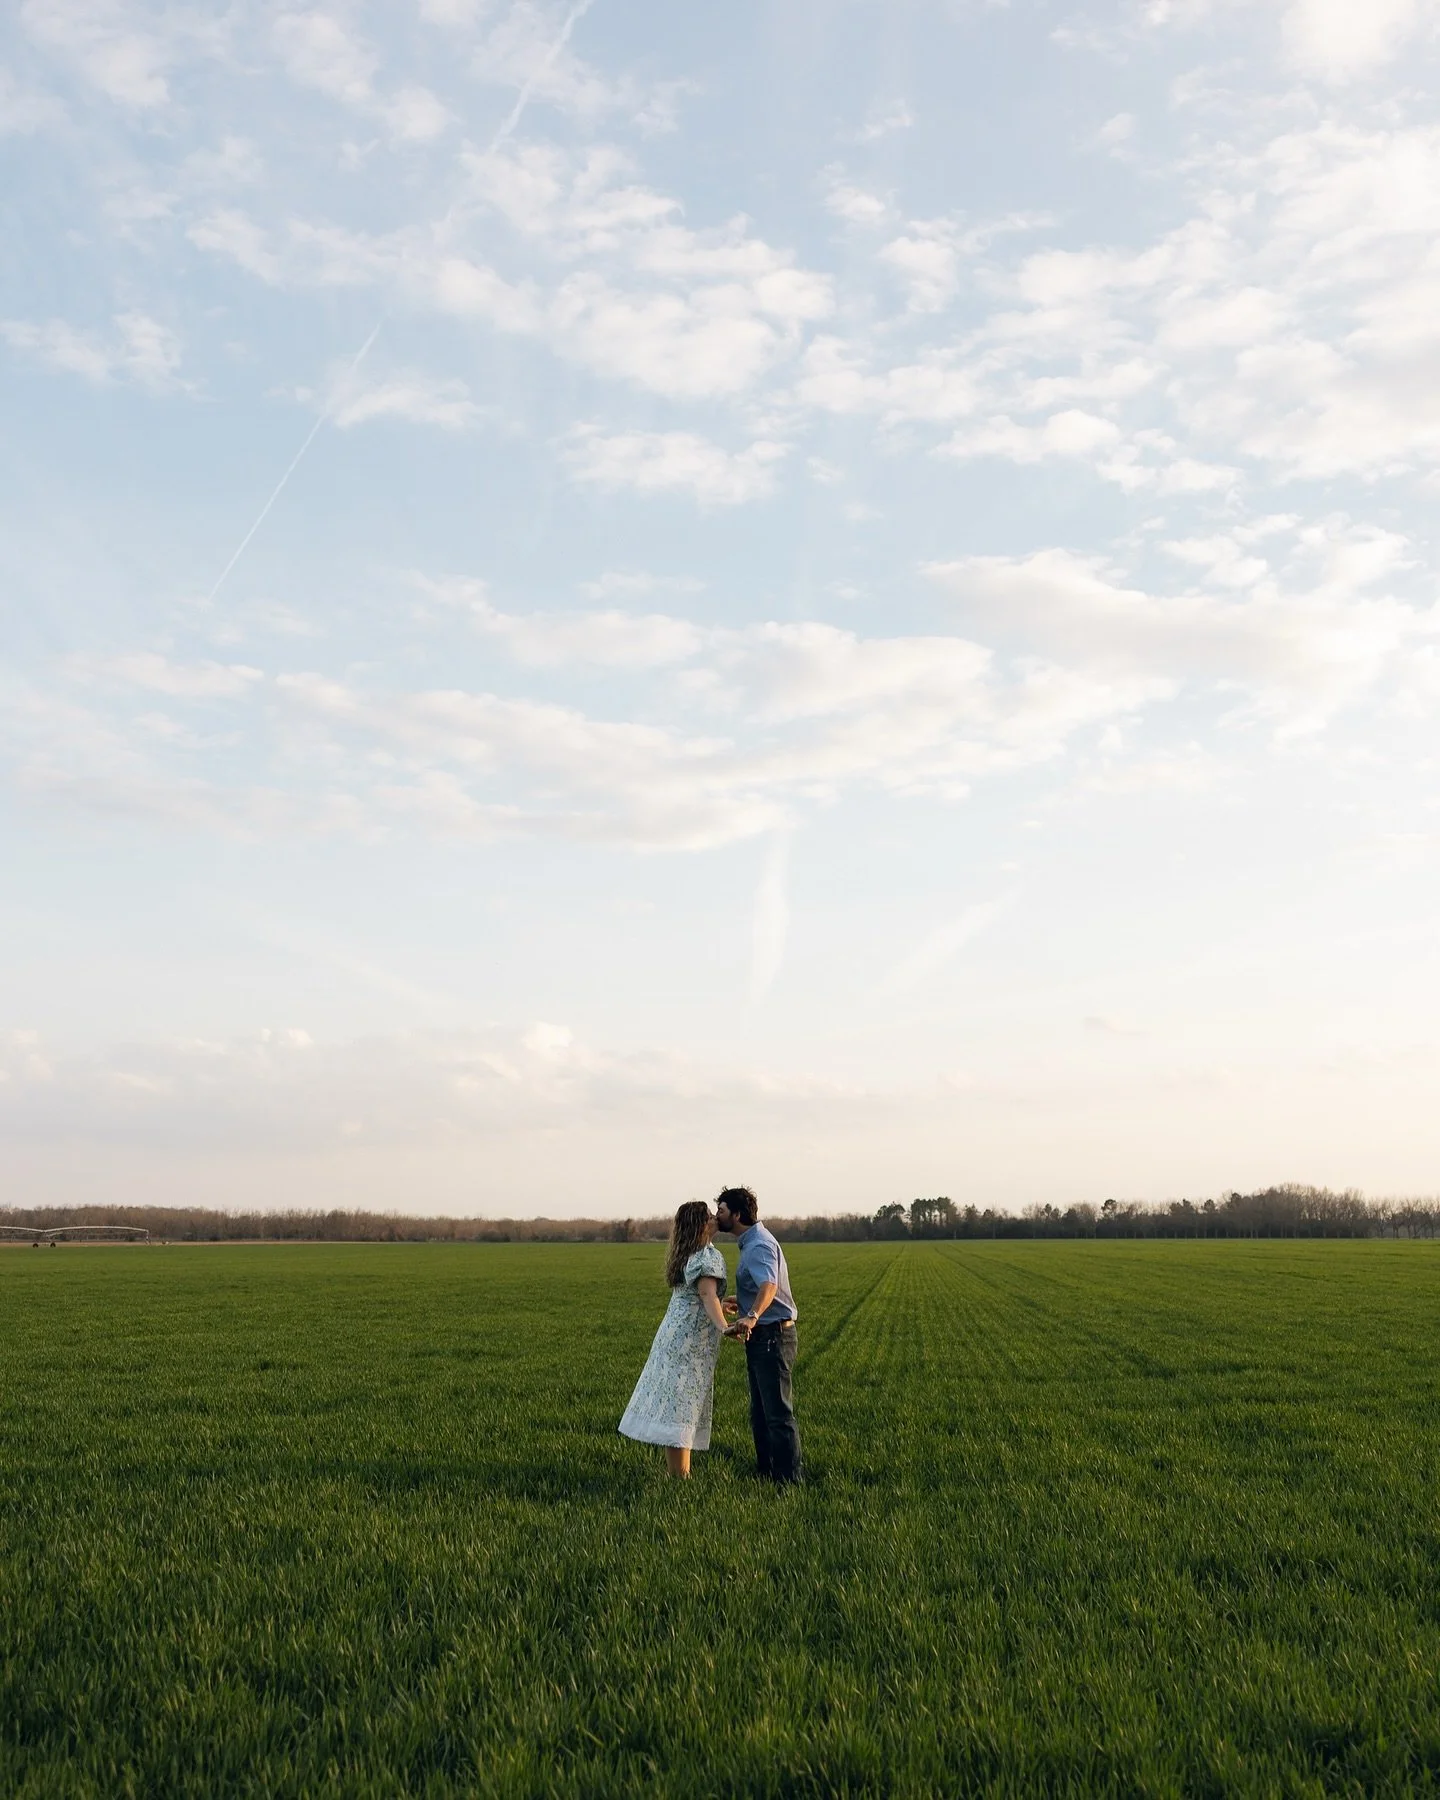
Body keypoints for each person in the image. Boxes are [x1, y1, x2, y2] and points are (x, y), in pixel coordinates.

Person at [618, 1201, 732, 1478]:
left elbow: (703, 1296)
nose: (715, 1218)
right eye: (709, 1216)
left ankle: (678, 1473)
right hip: (690, 1342)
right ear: (701, 1225)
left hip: (672, 1335)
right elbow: (706, 1296)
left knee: (675, 1404)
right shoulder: (707, 1256)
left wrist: (719, 1304)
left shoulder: (688, 1253)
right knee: (681, 1407)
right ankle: (680, 1477)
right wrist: (724, 1326)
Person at [714, 1185, 802, 1485]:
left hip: (771, 1337)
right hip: (764, 1335)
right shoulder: (753, 1242)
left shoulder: (759, 1245)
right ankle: (766, 1473)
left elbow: (769, 1287)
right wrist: (741, 1301)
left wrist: (751, 1316)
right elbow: (762, 1287)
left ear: (737, 1214)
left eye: (722, 1210)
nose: (717, 1216)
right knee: (762, 1413)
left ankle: (788, 1481)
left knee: (777, 1415)